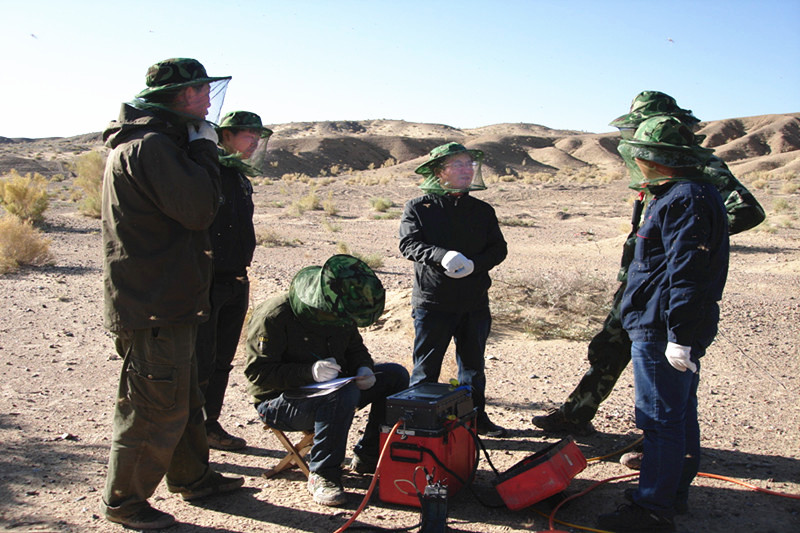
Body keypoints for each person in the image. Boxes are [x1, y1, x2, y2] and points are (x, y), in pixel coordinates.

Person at [532, 91, 764, 438]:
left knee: (665, 362)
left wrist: (692, 237)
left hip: (666, 283)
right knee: (609, 346)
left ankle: (664, 445)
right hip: (640, 279)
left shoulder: (697, 165)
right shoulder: (655, 164)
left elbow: (748, 210)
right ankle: (578, 414)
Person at [100, 58, 243, 530]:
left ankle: (192, 476)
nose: (208, 101)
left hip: (168, 298)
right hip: (154, 303)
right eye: (201, 91)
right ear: (183, 96)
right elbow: (199, 209)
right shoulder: (153, 147)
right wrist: (203, 151)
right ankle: (125, 502)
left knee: (182, 395)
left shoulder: (154, 143)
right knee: (153, 404)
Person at [597, 116, 730, 532]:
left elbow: (688, 272)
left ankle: (653, 508)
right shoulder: (683, 194)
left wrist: (679, 336)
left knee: (659, 420)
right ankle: (672, 494)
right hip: (665, 323)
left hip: (662, 326)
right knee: (678, 412)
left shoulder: (685, 198)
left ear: (656, 158)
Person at [243, 255, 410, 507]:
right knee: (341, 395)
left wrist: (364, 368)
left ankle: (368, 455)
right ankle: (323, 474)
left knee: (395, 376)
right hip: (279, 403)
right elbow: (258, 374)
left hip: (334, 389)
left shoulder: (340, 308)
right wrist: (308, 373)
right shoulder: (275, 316)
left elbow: (355, 349)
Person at [399, 142, 509, 438]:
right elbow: (408, 244)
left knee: (473, 367)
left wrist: (475, 264)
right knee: (426, 368)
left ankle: (475, 420)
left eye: (469, 164)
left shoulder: (482, 210)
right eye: (458, 165)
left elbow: (498, 249)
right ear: (439, 172)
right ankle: (418, 425)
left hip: (474, 302)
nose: (466, 170)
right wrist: (441, 255)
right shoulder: (418, 207)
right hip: (433, 302)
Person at [196, 111, 272, 451]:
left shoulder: (241, 177)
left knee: (222, 360)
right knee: (200, 358)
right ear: (225, 136)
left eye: (257, 136)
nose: (253, 142)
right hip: (207, 279)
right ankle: (189, 433)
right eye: (247, 135)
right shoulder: (207, 171)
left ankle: (208, 425)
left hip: (237, 278)